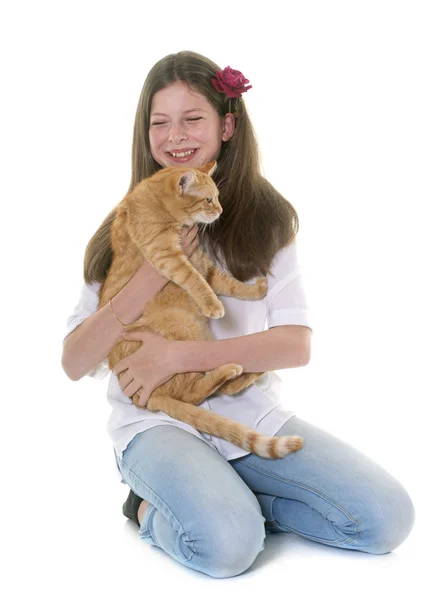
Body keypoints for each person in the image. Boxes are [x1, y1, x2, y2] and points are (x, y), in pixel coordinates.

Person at [61, 51, 415, 578]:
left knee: (386, 519)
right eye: (160, 122)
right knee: (226, 549)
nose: (175, 135)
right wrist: (152, 274)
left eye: (193, 118)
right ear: (145, 133)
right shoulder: (124, 224)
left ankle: (245, 503)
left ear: (227, 125)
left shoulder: (266, 221)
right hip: (155, 422)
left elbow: (296, 345)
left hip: (245, 411)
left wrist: (181, 355)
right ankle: (145, 507)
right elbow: (73, 362)